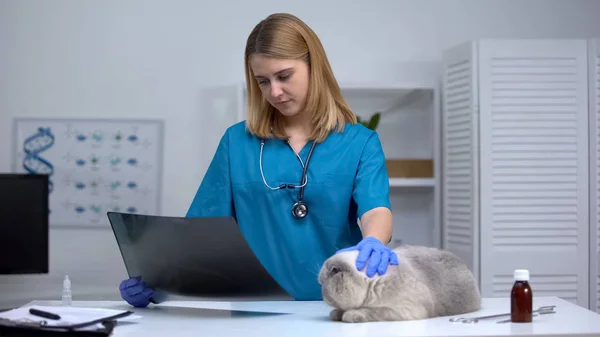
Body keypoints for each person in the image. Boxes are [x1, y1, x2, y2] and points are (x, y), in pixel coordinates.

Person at [119, 12, 398, 308]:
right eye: (263, 81)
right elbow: (200, 233)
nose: (274, 92)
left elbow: (375, 209)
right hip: (255, 309)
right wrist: (158, 281)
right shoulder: (237, 143)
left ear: (314, 66)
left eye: (284, 76)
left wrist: (373, 242)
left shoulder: (359, 142)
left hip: (334, 307)